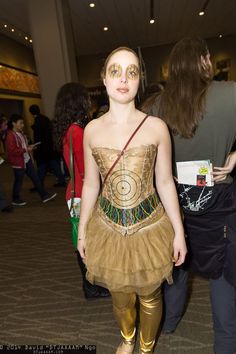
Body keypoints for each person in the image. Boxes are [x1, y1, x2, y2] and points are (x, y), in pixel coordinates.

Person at [77, 47, 187, 354]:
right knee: (120, 296)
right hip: (107, 228)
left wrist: (179, 232)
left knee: (150, 295)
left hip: (150, 227)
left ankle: (146, 347)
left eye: (132, 71)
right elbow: (90, 184)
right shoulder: (92, 130)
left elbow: (165, 182)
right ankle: (127, 338)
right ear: (104, 78)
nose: (123, 79)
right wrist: (83, 230)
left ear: (140, 79)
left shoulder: (157, 127)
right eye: (115, 71)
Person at [150, 37, 236, 354]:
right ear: (205, 59)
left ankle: (169, 322)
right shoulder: (230, 94)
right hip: (220, 202)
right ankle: (225, 345)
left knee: (176, 266)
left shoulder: (157, 106)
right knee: (224, 277)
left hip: (175, 203)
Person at [53, 82, 110, 300]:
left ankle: (91, 284)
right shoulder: (77, 132)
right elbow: (88, 170)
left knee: (84, 237)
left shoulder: (68, 130)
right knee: (86, 239)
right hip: (83, 193)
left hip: (75, 191)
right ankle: (90, 286)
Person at [5, 114, 57, 206]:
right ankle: (15, 199)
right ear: (14, 123)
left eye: (23, 123)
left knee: (36, 178)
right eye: (20, 123)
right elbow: (12, 151)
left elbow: (23, 147)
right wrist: (26, 149)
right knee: (19, 181)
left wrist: (29, 148)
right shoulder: (10, 136)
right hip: (19, 162)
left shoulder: (21, 133)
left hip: (26, 160)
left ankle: (44, 196)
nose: (23, 125)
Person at [29, 105, 66, 188]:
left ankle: (38, 185)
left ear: (31, 113)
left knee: (42, 166)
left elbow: (38, 138)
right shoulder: (45, 119)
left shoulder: (37, 122)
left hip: (42, 148)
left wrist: (36, 147)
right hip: (50, 146)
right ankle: (62, 180)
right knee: (53, 164)